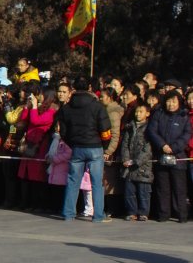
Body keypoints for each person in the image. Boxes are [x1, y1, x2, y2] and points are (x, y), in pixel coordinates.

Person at [58, 75, 112, 223]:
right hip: (95, 147)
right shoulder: (97, 106)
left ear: (73, 88)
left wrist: (72, 143)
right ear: (89, 88)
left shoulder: (66, 108)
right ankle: (98, 215)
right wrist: (104, 146)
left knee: (73, 181)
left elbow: (63, 132)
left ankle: (68, 213)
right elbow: (106, 129)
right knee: (97, 183)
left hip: (77, 148)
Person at [147, 90, 190, 223]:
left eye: (173, 101)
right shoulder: (159, 114)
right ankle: (163, 214)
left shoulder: (184, 116)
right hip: (161, 154)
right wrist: (163, 145)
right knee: (162, 186)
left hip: (178, 156)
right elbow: (152, 131)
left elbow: (187, 135)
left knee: (179, 187)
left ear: (179, 102)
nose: (170, 104)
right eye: (168, 101)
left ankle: (182, 215)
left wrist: (174, 147)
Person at [17, 87, 58, 212]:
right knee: (26, 176)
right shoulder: (38, 108)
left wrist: (34, 107)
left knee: (38, 177)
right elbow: (23, 120)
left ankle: (40, 204)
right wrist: (27, 106)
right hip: (29, 144)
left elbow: (36, 120)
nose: (38, 97)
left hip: (40, 146)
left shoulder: (52, 110)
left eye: (40, 95)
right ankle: (27, 203)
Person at [121, 102, 153, 221]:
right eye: (136, 112)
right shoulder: (130, 127)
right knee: (129, 191)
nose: (138, 114)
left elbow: (148, 148)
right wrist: (125, 158)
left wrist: (137, 161)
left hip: (143, 165)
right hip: (129, 164)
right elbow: (125, 144)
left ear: (147, 113)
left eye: (141, 112)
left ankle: (143, 212)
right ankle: (131, 211)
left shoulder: (149, 128)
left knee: (143, 191)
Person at [99, 87, 124, 218]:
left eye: (102, 96)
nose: (100, 99)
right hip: (104, 149)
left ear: (110, 97)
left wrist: (109, 151)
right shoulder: (104, 111)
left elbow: (115, 135)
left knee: (110, 182)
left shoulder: (113, 113)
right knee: (105, 181)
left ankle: (113, 209)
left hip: (110, 151)